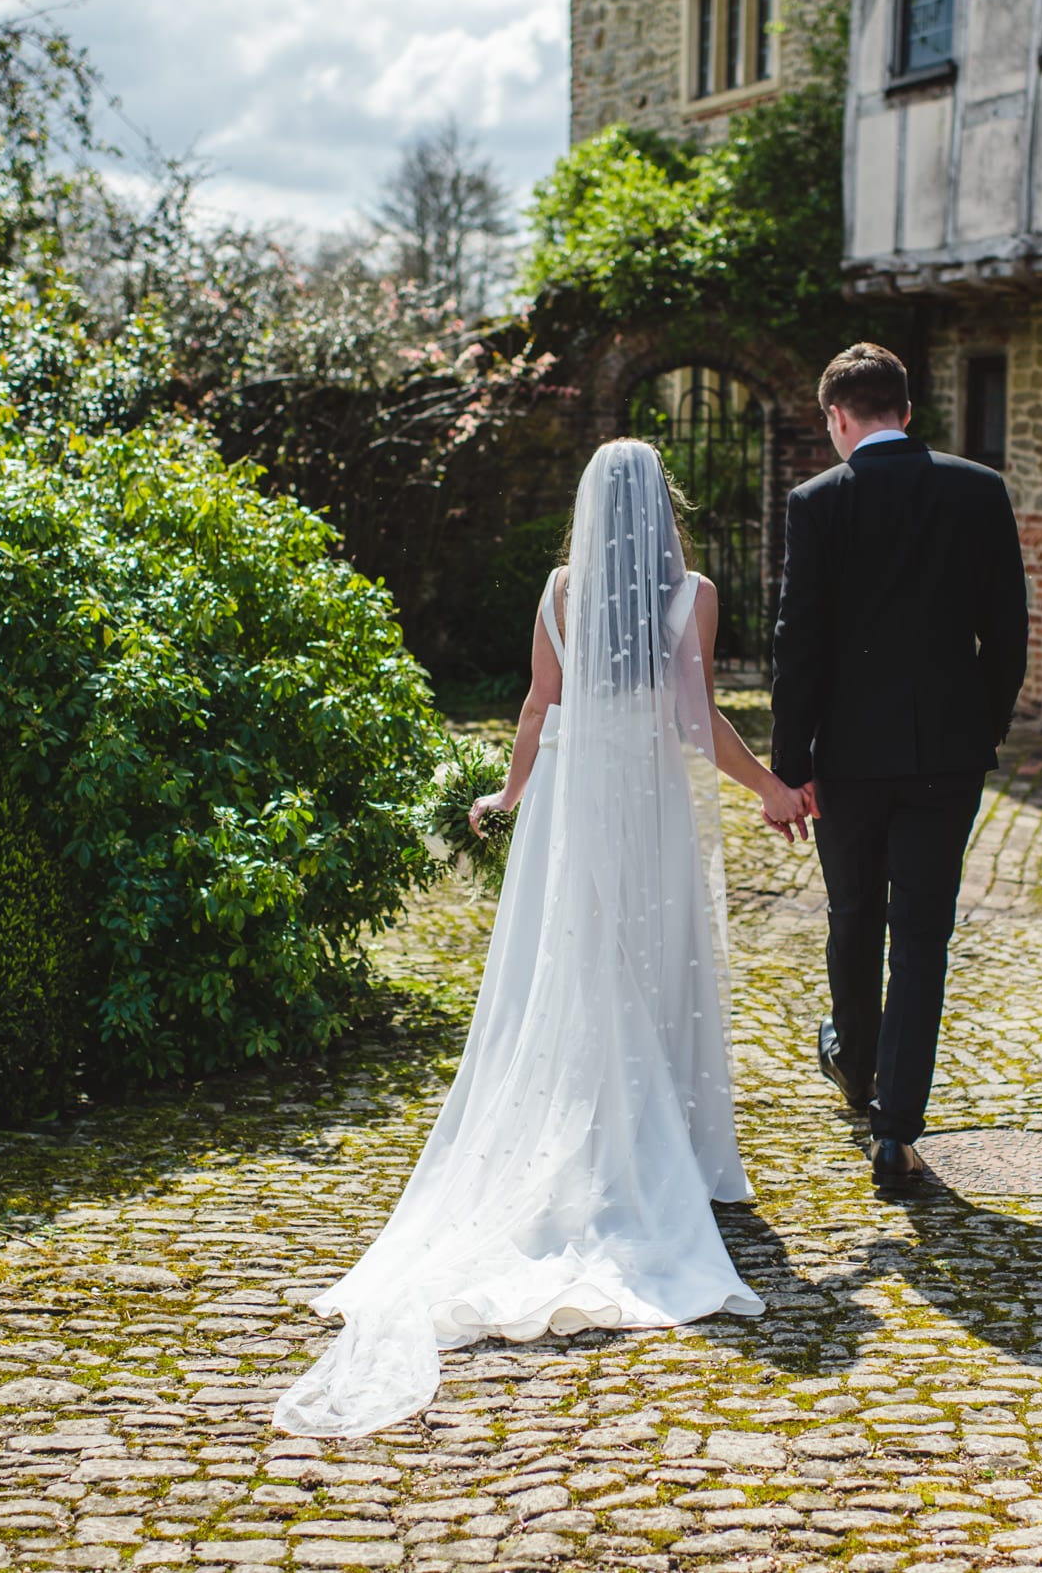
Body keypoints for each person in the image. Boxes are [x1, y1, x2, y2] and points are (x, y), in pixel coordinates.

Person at [274, 439, 809, 1437]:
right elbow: (699, 728)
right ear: (661, 507)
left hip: (573, 807)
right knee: (648, 970)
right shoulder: (691, 593)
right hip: (647, 803)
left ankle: (605, 1145)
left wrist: (512, 793)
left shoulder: (559, 591)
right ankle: (664, 1159)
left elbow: (536, 705)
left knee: (577, 975)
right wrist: (772, 787)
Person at [770, 343, 1030, 1190]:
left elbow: (797, 645)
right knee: (923, 936)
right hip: (947, 759)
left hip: (846, 760)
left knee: (855, 914)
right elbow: (1009, 633)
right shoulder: (978, 490)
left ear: (838, 419)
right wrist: (977, 730)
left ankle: (852, 1066)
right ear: (908, 412)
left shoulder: (817, 503)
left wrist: (789, 763)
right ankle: (897, 1132)